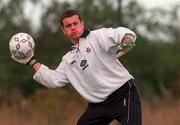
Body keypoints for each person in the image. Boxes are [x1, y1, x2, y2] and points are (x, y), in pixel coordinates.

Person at [12, 9, 142, 125]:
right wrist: (31, 61)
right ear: (63, 30)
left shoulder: (97, 36)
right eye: (68, 26)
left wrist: (127, 38)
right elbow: (53, 79)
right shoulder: (68, 60)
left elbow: (117, 33)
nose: (73, 28)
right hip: (98, 104)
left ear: (82, 24)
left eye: (75, 23)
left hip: (123, 93)